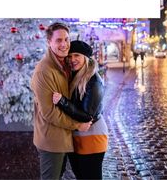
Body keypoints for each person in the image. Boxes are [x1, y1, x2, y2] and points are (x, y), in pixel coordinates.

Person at [30, 23, 91, 180]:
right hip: (52, 141)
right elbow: (50, 113)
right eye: (58, 40)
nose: (64, 44)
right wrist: (78, 125)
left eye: (66, 39)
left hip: (64, 138)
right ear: (49, 42)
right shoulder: (44, 71)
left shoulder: (65, 65)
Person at [53, 40, 108, 180]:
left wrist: (62, 102)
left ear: (86, 58)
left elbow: (86, 115)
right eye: (70, 56)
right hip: (77, 135)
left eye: (76, 55)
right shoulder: (75, 77)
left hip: (92, 135)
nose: (72, 60)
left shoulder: (94, 81)